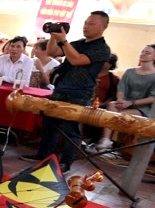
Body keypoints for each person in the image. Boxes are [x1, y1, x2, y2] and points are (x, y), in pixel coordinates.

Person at [25, 11, 112, 173]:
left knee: (70, 129)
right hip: (61, 88)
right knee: (50, 123)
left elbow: (77, 60)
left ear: (104, 26)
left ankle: (66, 162)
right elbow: (53, 52)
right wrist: (53, 36)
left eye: (92, 23)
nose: (86, 26)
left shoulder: (102, 49)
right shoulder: (79, 43)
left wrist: (63, 40)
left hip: (79, 93)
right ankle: (44, 155)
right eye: (86, 22)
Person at [95, 44, 155, 151]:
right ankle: (106, 139)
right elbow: (121, 88)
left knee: (118, 115)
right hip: (124, 104)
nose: (143, 54)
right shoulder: (130, 71)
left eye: (147, 53)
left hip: (143, 108)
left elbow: (154, 97)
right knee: (111, 105)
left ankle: (112, 142)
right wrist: (120, 100)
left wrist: (131, 103)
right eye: (142, 51)